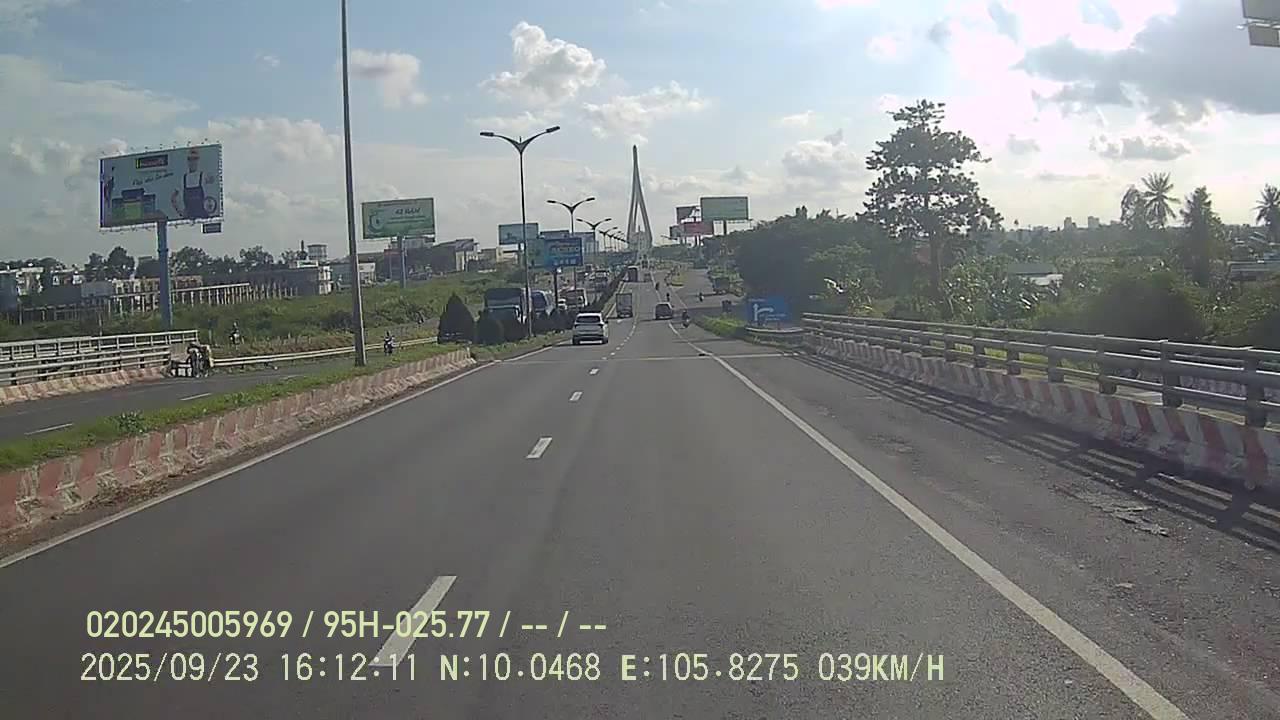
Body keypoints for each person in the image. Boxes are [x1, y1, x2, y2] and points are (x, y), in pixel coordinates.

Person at [170, 147, 215, 220]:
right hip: (189, 218)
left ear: (198, 160)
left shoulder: (203, 176)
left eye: (195, 159)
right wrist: (180, 212)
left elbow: (213, 182)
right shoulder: (183, 178)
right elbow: (173, 198)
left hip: (203, 216)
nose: (193, 162)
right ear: (187, 161)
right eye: (190, 159)